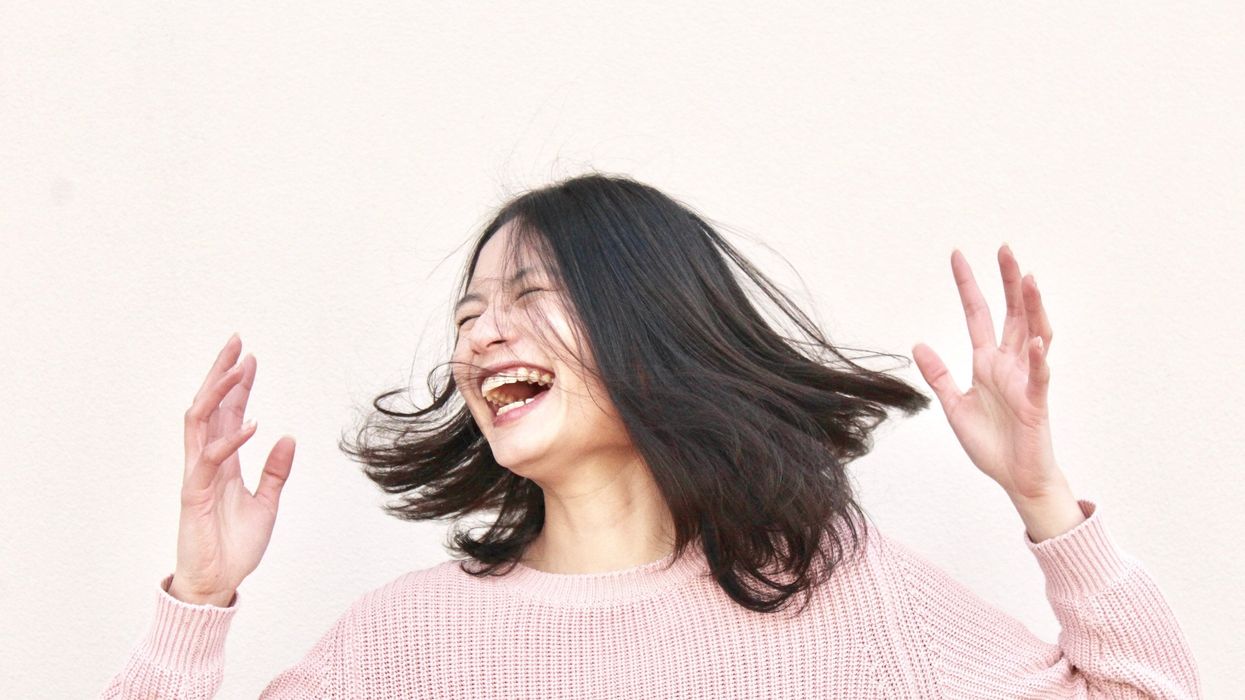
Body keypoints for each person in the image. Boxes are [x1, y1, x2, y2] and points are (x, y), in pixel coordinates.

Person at [101, 173, 1201, 698]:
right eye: (470, 313)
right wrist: (195, 602)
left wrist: (1044, 499)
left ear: (647, 331)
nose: (484, 336)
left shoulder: (842, 596)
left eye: (531, 297)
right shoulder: (401, 645)